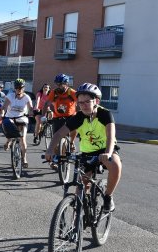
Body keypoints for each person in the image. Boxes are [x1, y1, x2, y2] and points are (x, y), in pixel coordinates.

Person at [45, 83, 122, 213]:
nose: (83, 105)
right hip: (87, 152)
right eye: (80, 103)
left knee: (115, 164)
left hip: (105, 150)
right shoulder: (79, 117)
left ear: (96, 101)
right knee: (81, 188)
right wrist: (50, 149)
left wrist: (108, 153)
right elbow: (59, 134)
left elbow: (110, 135)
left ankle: (108, 196)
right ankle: (77, 222)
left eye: (87, 102)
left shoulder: (105, 115)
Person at [2, 78, 34, 168]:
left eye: (20, 88)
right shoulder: (10, 96)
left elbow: (30, 107)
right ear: (14, 88)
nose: (18, 89)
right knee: (10, 130)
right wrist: (2, 113)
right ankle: (8, 141)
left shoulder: (27, 97)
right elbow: (4, 107)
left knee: (22, 139)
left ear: (23, 88)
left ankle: (24, 159)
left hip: (22, 119)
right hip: (10, 118)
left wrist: (31, 112)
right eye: (17, 88)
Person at [42, 73, 78, 153]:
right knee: (55, 140)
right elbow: (47, 103)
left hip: (70, 116)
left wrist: (80, 114)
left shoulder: (71, 92)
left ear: (66, 83)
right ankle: (54, 159)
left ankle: (71, 142)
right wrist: (43, 116)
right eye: (57, 84)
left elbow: (79, 102)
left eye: (60, 84)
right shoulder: (54, 92)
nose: (58, 86)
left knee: (74, 128)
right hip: (57, 117)